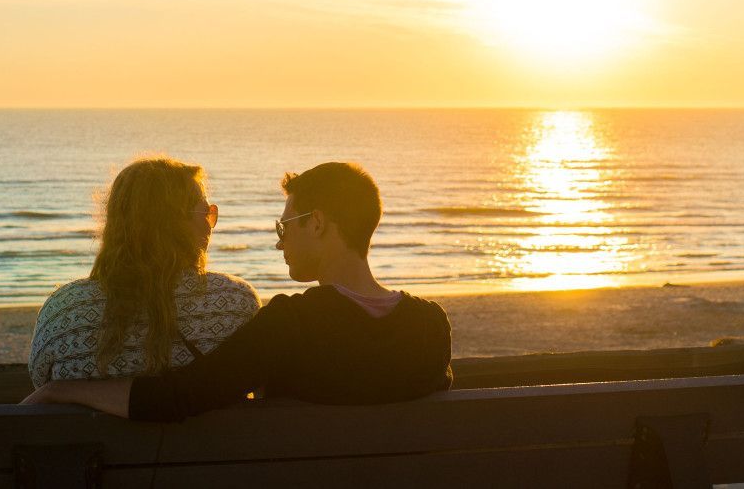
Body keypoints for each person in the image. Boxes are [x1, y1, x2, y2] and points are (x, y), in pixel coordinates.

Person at [23, 162, 452, 421]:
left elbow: (178, 397)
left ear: (317, 223)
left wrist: (63, 390)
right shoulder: (431, 326)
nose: (279, 241)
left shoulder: (289, 325)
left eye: (285, 226)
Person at [27, 157, 260, 389]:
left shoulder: (64, 310)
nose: (211, 224)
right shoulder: (237, 303)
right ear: (178, 223)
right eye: (206, 213)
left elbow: (40, 383)